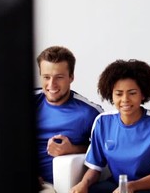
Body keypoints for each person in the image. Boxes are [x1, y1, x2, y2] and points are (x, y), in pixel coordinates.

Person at [71, 59, 150, 193]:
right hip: (115, 186)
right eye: (118, 94)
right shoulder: (102, 122)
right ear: (111, 95)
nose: (125, 99)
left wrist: (130, 186)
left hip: (146, 188)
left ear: (142, 94)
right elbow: (95, 168)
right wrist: (83, 184)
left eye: (132, 93)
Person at [35, 46, 104, 192]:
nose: (51, 84)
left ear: (71, 77)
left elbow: (106, 151)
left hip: (49, 186)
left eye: (59, 77)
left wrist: (72, 149)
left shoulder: (89, 113)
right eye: (46, 77)